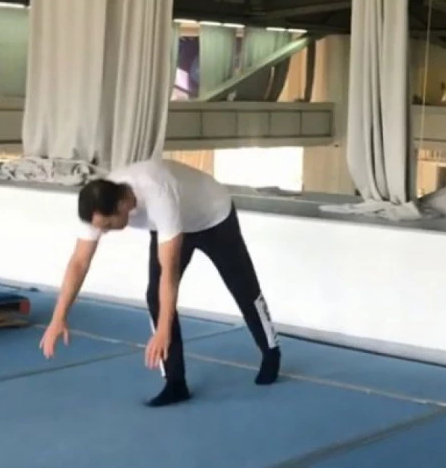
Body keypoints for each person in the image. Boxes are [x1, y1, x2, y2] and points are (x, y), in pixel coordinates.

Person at [39, 158, 281, 407]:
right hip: (174, 220)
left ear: (122, 205)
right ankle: (175, 383)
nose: (105, 232)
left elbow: (169, 272)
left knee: (243, 287)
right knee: (155, 297)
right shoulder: (97, 204)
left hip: (213, 215)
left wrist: (164, 329)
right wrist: (59, 317)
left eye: (108, 225)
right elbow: (79, 263)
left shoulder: (158, 194)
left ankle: (271, 352)